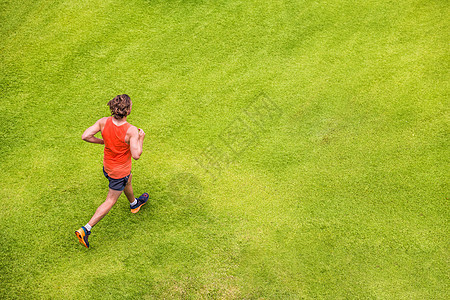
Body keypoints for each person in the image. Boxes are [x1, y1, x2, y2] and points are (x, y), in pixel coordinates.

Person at [75, 94, 148, 248]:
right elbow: (136, 155)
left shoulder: (103, 122)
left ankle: (134, 204)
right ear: (127, 111)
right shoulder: (131, 131)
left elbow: (85, 136)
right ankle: (85, 229)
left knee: (128, 180)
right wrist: (141, 138)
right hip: (119, 171)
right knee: (110, 200)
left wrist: (104, 141)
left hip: (108, 167)